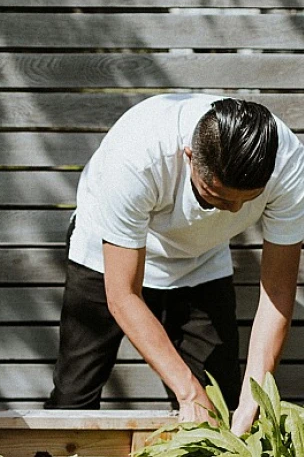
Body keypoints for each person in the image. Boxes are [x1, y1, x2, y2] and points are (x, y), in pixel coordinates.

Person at [45, 94, 304, 435]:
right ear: (190, 157)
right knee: (73, 399)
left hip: (201, 259)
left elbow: (279, 290)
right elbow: (123, 295)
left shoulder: (286, 163)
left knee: (220, 407)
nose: (235, 211)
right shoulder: (137, 156)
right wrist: (188, 392)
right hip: (105, 256)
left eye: (249, 199)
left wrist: (255, 398)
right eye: (218, 197)